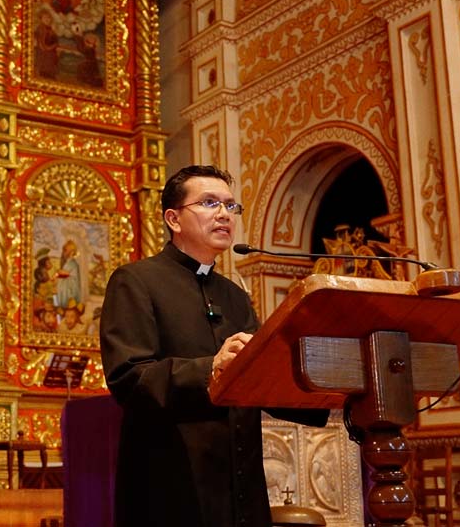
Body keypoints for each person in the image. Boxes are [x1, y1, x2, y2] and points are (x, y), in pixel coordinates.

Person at [100, 165, 329, 527]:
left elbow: (261, 381)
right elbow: (129, 377)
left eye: (231, 206)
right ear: (173, 219)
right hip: (170, 480)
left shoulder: (235, 295)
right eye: (209, 203)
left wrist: (330, 394)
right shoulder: (136, 281)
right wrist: (212, 367)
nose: (224, 214)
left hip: (241, 480)